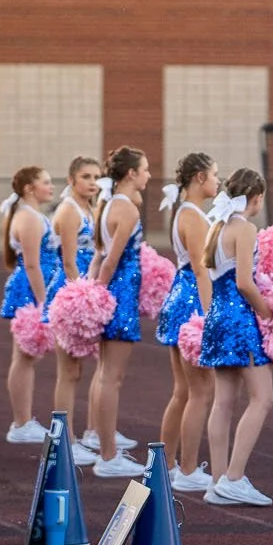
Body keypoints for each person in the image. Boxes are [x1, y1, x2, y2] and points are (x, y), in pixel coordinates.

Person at [199, 169, 273, 506]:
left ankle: (218, 480)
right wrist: (268, 311)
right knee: (263, 397)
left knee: (223, 401)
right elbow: (245, 282)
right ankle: (233, 477)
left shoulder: (216, 226)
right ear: (256, 197)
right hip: (240, 319)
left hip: (216, 317)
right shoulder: (244, 227)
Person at [84, 147, 151, 479]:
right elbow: (110, 259)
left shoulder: (108, 204)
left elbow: (99, 255)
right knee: (113, 376)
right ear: (131, 174)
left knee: (104, 373)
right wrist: (100, 295)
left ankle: (104, 444)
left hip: (113, 293)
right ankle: (109, 456)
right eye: (145, 170)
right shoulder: (127, 209)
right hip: (119, 295)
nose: (148, 176)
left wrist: (92, 290)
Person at [157, 155, 219, 494]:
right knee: (200, 391)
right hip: (192, 300)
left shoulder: (184, 210)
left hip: (179, 297)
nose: (218, 182)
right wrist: (210, 315)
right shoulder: (192, 215)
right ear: (199, 178)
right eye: (214, 175)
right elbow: (200, 269)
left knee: (184, 390)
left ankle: (165, 464)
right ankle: (189, 468)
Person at [48, 157, 104, 462]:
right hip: (70, 294)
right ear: (71, 180)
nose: (93, 182)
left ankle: (82, 434)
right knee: (68, 371)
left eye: (96, 176)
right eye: (86, 176)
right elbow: (69, 260)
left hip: (85, 289)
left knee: (79, 370)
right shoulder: (69, 210)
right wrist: (79, 297)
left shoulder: (90, 208)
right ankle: (63, 442)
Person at [0, 166, 55, 445]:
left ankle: (23, 420)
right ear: (30, 188)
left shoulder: (31, 214)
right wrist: (44, 302)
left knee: (27, 357)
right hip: (31, 290)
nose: (51, 187)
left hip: (34, 287)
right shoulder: (28, 218)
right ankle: (21, 422)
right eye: (45, 182)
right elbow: (31, 264)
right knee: (23, 357)